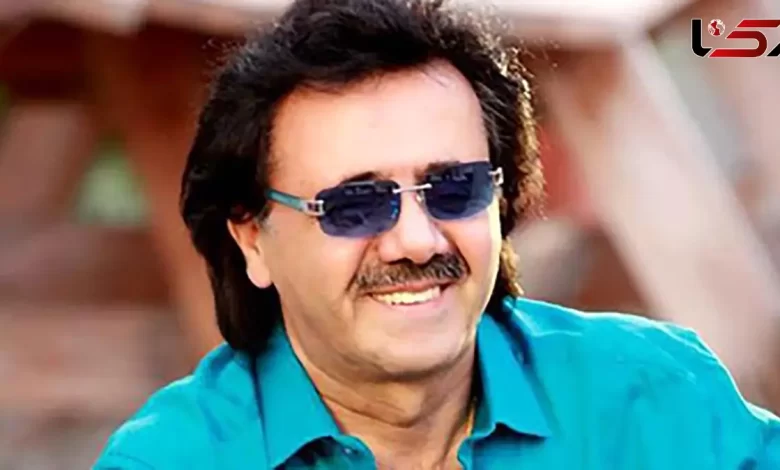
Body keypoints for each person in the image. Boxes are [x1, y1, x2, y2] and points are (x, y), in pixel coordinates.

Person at [94, 0, 780, 468]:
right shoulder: (175, 459)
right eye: (355, 204)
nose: (418, 241)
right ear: (252, 239)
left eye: (454, 188)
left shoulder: (656, 398)